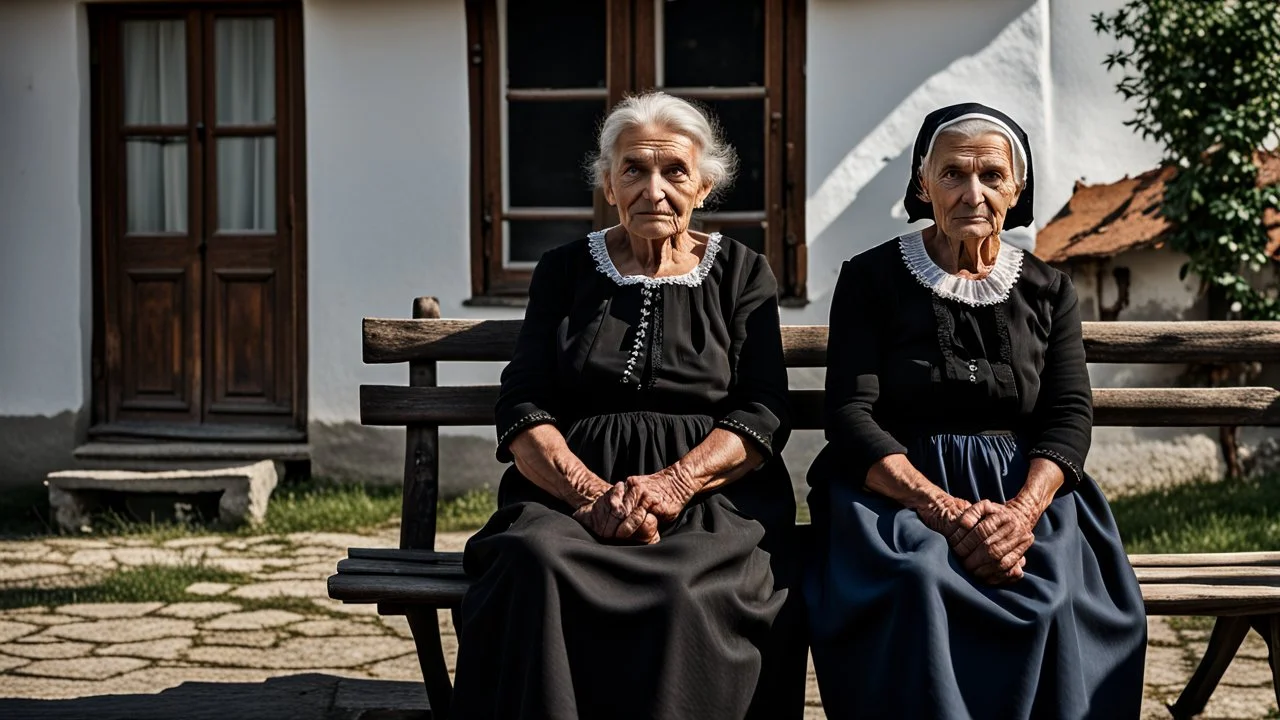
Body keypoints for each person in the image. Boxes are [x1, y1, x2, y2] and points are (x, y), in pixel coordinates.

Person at [451, 91, 803, 720]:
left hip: (709, 496)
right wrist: (588, 495)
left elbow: (762, 408)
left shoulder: (743, 271)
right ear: (609, 185)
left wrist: (673, 484)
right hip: (569, 489)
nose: (653, 188)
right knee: (534, 560)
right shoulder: (563, 270)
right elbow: (524, 398)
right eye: (633, 169)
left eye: (674, 171)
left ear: (704, 185)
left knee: (686, 584)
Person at [804, 103, 1147, 719]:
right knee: (917, 579)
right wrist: (942, 509)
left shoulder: (1048, 288)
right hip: (897, 487)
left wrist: (1020, 513)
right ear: (922, 183)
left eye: (992, 175)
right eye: (953, 174)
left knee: (1054, 590)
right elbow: (852, 414)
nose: (973, 192)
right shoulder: (870, 279)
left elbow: (1068, 413)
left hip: (1024, 487)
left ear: (1016, 189)